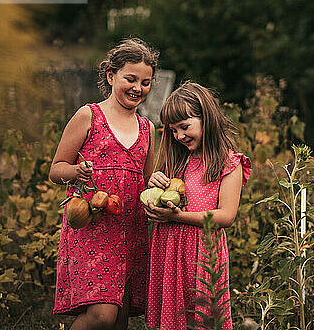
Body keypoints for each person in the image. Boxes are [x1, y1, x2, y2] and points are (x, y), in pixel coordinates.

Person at [49, 38, 159, 330]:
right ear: (111, 76)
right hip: (93, 227)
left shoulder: (148, 128)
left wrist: (160, 189)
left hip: (131, 229)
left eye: (146, 82)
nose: (138, 88)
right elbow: (56, 169)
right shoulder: (89, 116)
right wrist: (75, 172)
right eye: (131, 79)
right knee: (102, 315)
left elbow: (147, 183)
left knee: (120, 318)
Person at [145, 81, 252, 330]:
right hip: (171, 248)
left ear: (206, 118)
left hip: (203, 252)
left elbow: (226, 217)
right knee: (174, 317)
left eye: (184, 127)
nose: (179, 136)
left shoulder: (229, 163)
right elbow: (158, 207)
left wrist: (177, 217)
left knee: (202, 316)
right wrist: (153, 187)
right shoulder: (177, 160)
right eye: (173, 130)